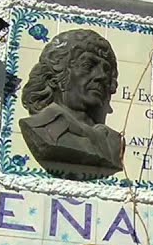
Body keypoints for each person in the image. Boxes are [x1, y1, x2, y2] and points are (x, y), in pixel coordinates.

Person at [18, 29, 125, 174]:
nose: (101, 76)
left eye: (105, 70)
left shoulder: (112, 143)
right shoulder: (40, 128)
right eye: (88, 66)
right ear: (56, 78)